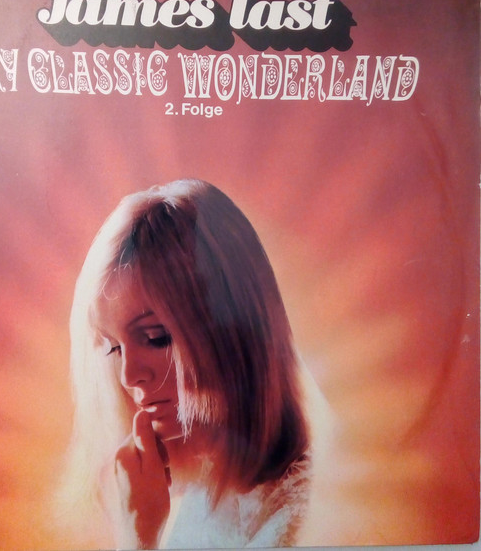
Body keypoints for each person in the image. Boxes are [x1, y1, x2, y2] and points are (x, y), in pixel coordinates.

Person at [56, 179, 311, 549]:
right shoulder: (198, 497)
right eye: (114, 348)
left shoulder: (299, 526)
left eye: (155, 337)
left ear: (233, 332)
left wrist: (138, 537)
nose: (129, 376)